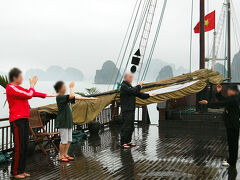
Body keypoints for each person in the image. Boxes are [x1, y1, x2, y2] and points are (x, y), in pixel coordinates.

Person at [6, 68, 56, 179]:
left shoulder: (18, 88)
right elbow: (29, 94)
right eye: (21, 76)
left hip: (23, 119)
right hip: (17, 120)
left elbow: (31, 94)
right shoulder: (10, 88)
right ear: (15, 78)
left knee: (23, 145)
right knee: (19, 146)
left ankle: (21, 170)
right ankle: (15, 172)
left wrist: (48, 95)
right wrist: (32, 85)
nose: (22, 78)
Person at [54, 81, 98, 162]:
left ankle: (65, 154)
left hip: (68, 121)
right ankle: (61, 156)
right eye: (64, 87)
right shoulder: (60, 97)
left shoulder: (65, 97)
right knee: (63, 140)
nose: (65, 88)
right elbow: (72, 96)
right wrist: (71, 87)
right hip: (63, 121)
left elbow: (76, 97)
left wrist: (89, 99)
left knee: (69, 139)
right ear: (59, 89)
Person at [199, 84, 240, 167]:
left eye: (229, 90)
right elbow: (223, 99)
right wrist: (218, 92)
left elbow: (220, 103)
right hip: (232, 124)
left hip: (233, 125)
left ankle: (232, 162)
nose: (228, 91)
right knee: (232, 143)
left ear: (234, 91)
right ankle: (231, 160)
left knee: (233, 144)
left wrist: (207, 103)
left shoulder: (234, 99)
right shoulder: (234, 98)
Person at [120, 73, 155, 149]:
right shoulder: (124, 86)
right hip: (126, 110)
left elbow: (138, 94)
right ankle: (123, 143)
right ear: (125, 78)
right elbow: (133, 91)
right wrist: (139, 85)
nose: (131, 79)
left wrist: (149, 95)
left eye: (132, 77)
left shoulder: (129, 87)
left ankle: (128, 141)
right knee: (126, 126)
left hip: (131, 109)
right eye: (130, 77)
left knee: (131, 127)